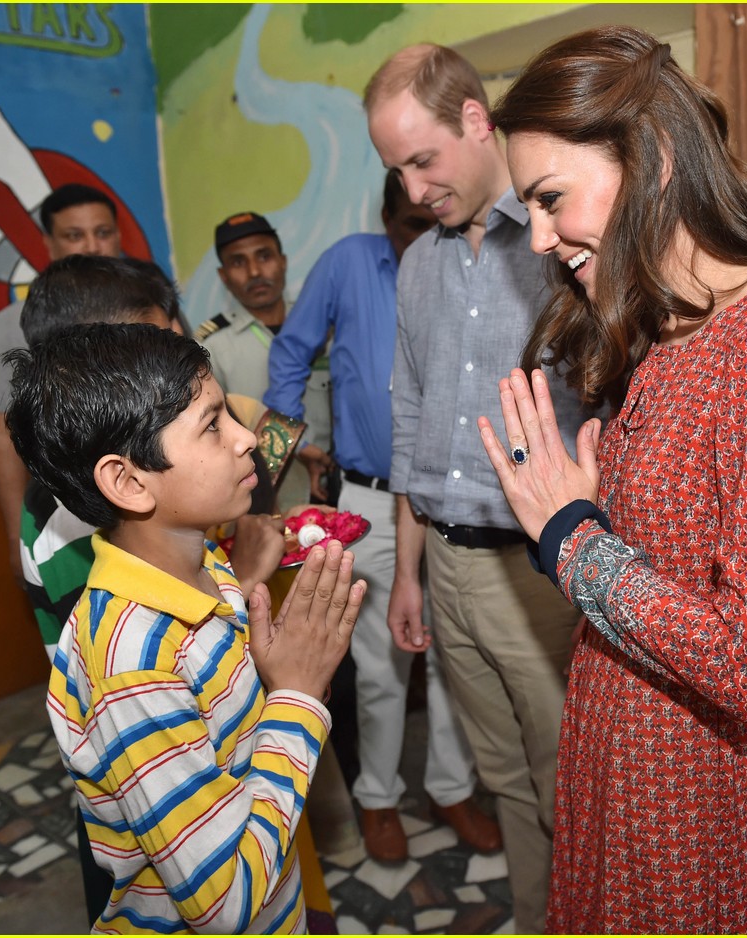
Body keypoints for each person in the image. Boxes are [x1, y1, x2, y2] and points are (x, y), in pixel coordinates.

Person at [477, 26, 747, 933]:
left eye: (549, 199)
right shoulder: (671, 331)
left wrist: (570, 535)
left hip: (685, 777)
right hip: (617, 732)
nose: (535, 238)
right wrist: (589, 516)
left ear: (648, 158)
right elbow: (664, 560)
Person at [6, 321, 366, 933]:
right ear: (127, 481)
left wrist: (285, 683)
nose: (247, 439)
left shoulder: (203, 565)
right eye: (211, 424)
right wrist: (299, 700)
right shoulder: (132, 665)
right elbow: (222, 904)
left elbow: (234, 750)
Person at [364, 43, 591, 930]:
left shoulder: (559, 240)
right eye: (396, 171)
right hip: (448, 569)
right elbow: (411, 424)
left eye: (423, 160)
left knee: (568, 782)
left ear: (474, 119)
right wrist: (410, 572)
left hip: (540, 575)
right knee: (505, 780)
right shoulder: (419, 265)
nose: (415, 189)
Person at [264, 171, 499, 862]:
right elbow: (290, 351)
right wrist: (288, 445)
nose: (422, 239)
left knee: (459, 659)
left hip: (452, 499)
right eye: (407, 227)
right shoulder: (346, 262)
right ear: (386, 216)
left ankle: (451, 788)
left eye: (433, 226)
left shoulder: (469, 260)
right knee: (378, 664)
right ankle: (378, 799)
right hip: (366, 497)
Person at [17, 254, 285, 662]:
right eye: (153, 339)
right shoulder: (67, 527)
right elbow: (133, 657)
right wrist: (243, 580)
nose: (176, 343)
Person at [0, 183, 123, 583]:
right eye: (75, 235)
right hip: (66, 524)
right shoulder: (14, 323)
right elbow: (2, 438)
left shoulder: (149, 308)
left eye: (103, 232)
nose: (93, 246)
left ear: (119, 236)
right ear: (49, 243)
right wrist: (14, 536)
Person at [195, 212, 331, 508]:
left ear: (282, 260)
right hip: (266, 498)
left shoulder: (321, 323)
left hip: (337, 483)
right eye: (238, 262)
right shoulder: (211, 346)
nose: (255, 271)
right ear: (223, 276)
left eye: (264, 256)